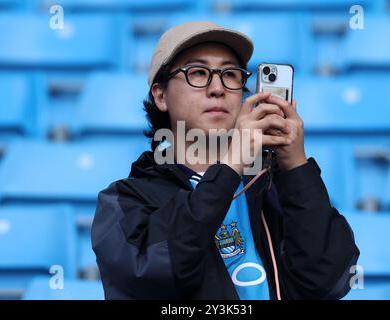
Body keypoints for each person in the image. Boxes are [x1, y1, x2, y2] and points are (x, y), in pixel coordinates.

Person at [91, 21, 360, 300]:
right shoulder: (124, 200)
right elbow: (155, 276)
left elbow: (329, 281)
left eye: (230, 74)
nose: (218, 88)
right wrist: (230, 167)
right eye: (198, 72)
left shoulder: (272, 185)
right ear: (160, 95)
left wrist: (295, 166)